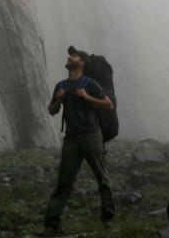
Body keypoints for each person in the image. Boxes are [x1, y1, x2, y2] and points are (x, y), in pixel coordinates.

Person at [43, 47, 116, 235]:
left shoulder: (90, 83)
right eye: (69, 55)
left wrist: (87, 96)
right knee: (63, 182)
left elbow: (108, 104)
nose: (69, 57)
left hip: (92, 136)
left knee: (103, 179)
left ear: (81, 62)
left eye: (73, 56)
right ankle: (51, 225)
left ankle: (108, 221)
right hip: (71, 140)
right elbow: (51, 110)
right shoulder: (61, 85)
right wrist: (58, 100)